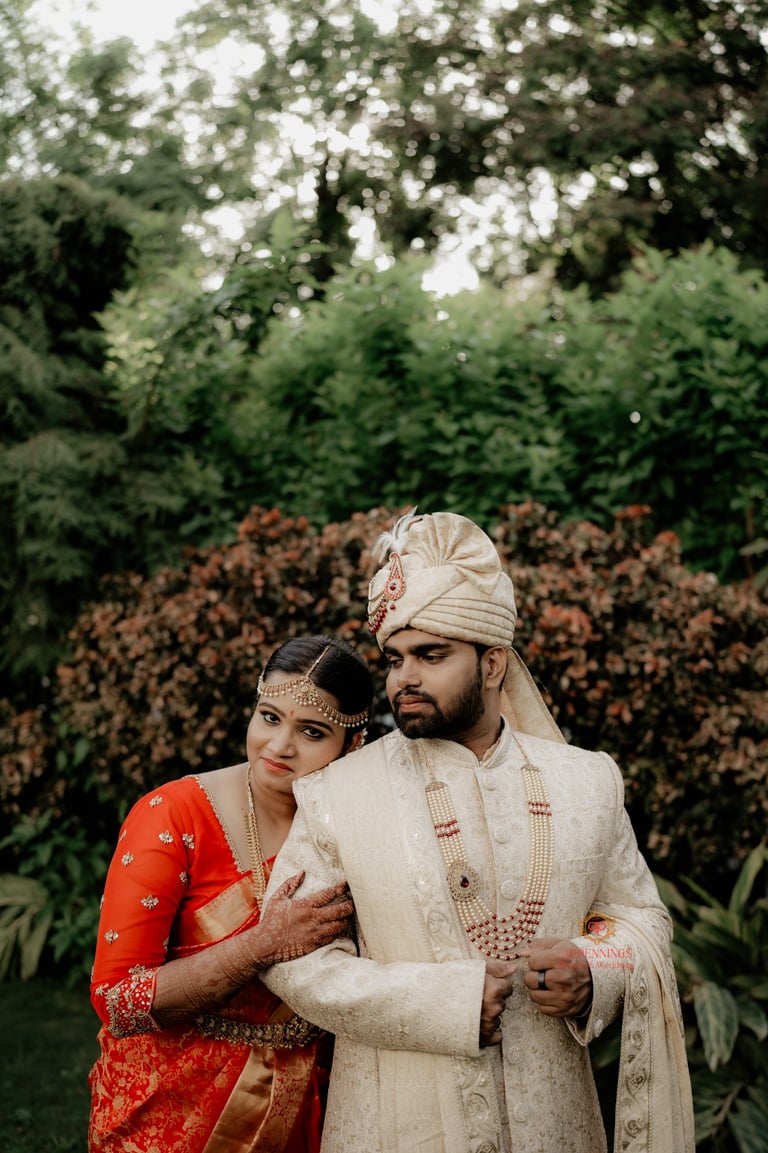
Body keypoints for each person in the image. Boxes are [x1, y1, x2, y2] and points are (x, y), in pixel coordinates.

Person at [262, 512, 695, 1153]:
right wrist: (447, 1002)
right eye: (395, 659)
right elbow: (292, 960)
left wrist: (594, 970)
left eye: (431, 656)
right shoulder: (338, 794)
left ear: (493, 665)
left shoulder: (587, 782)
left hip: (555, 1126)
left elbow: (642, 921)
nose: (403, 678)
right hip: (396, 1128)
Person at [88, 634, 373, 1153]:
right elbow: (118, 1002)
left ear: (352, 744)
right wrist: (261, 945)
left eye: (312, 731)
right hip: (171, 1110)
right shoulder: (173, 816)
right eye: (269, 717)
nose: (279, 746)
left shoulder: (359, 828)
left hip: (311, 1107)